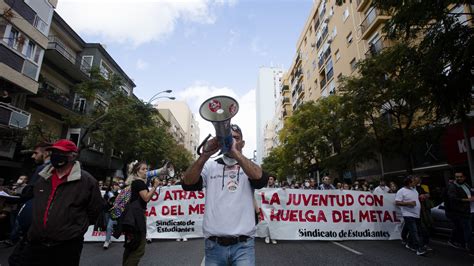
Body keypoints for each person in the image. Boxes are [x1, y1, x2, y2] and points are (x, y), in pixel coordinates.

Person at [182, 124, 268, 266]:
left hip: (243, 246)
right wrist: (204, 155)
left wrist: (235, 152)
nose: (231, 140)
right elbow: (188, 183)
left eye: (236, 138)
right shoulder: (210, 166)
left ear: (242, 143)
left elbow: (260, 179)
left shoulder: (249, 166)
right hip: (214, 246)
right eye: (227, 138)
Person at [19, 139, 103, 265]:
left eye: (60, 152)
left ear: (72, 156)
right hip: (36, 243)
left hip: (66, 246)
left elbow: (94, 210)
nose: (55, 156)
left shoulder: (87, 182)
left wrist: (76, 229)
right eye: (53, 152)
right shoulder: (43, 178)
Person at [122, 161, 160, 266]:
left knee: (131, 245)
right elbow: (146, 198)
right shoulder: (139, 183)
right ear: (136, 172)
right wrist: (155, 186)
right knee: (139, 249)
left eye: (146, 169)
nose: (146, 171)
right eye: (143, 169)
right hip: (137, 217)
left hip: (132, 216)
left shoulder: (134, 182)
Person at [395, 176, 426, 256]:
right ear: (409, 183)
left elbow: (415, 198)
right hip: (408, 214)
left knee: (418, 230)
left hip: (416, 214)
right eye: (413, 181)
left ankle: (409, 243)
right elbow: (397, 202)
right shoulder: (401, 191)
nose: (415, 182)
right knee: (414, 231)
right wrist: (409, 203)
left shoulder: (414, 190)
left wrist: (421, 197)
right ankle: (419, 248)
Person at [446, 171, 474, 256]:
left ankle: (462, 243)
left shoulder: (466, 185)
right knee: (468, 231)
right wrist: (466, 200)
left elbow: (470, 194)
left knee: (469, 230)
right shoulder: (453, 186)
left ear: (464, 177)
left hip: (471, 211)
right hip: (463, 212)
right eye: (457, 177)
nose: (458, 178)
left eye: (460, 177)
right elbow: (452, 198)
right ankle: (471, 249)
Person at [103, 182, 120, 249]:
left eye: (117, 185)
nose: (117, 186)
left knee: (109, 226)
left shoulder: (118, 194)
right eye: (116, 185)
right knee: (107, 226)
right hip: (106, 211)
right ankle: (108, 238)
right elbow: (104, 203)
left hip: (114, 212)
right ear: (112, 187)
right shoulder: (107, 194)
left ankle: (106, 242)